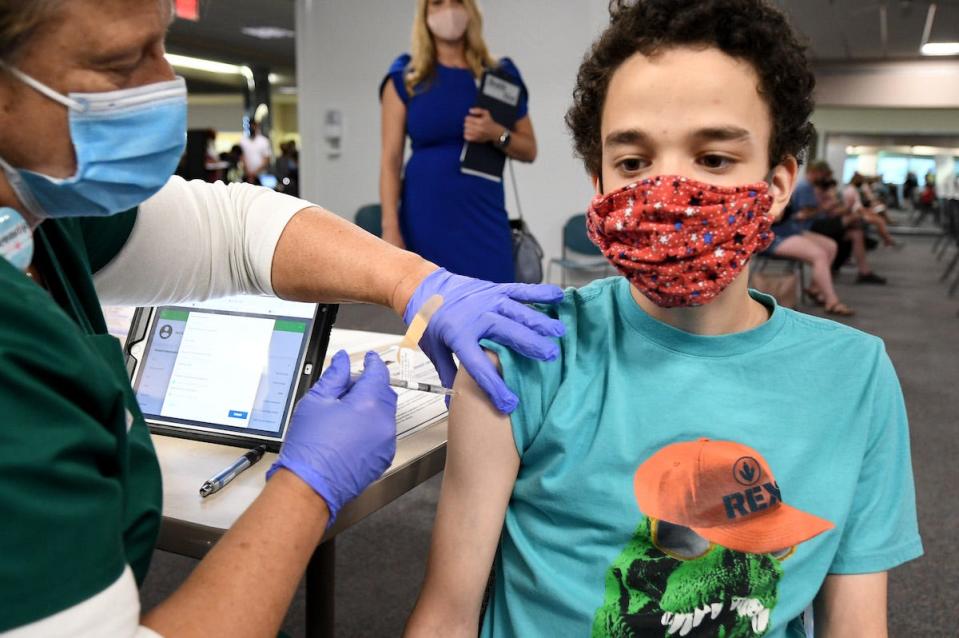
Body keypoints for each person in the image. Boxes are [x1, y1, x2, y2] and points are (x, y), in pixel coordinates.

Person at [0, 1, 567, 634]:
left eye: (164, 45)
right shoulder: (13, 356)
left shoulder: (46, 209)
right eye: (122, 61)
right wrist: (306, 486)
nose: (166, 85)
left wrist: (416, 280)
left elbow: (234, 226)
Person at [405, 1, 922, 636]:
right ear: (598, 183)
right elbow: (447, 613)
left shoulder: (854, 378)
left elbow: (858, 622)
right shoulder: (525, 353)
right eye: (633, 163)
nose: (668, 190)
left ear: (778, 184)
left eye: (714, 159)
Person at [380, 0, 538, 282]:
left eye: (456, 2)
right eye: (437, 4)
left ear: (471, 10)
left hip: (483, 215)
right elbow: (390, 161)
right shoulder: (405, 78)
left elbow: (529, 149)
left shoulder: (500, 74)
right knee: (430, 311)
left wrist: (496, 133)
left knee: (494, 303)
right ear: (424, 16)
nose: (448, 10)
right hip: (424, 216)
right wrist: (390, 228)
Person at [239, 119, 272, 184]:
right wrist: (248, 172)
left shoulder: (264, 141)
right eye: (250, 126)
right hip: (247, 175)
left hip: (261, 175)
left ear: (257, 126)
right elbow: (242, 158)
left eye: (254, 126)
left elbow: (267, 159)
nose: (252, 128)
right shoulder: (243, 141)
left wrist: (255, 173)